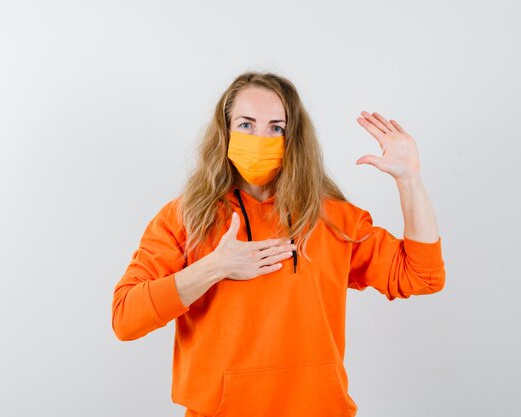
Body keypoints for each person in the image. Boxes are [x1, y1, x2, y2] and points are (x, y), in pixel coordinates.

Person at [111, 71, 445, 417]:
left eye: (276, 127)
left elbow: (423, 276)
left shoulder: (333, 218)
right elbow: (126, 317)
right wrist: (214, 267)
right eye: (245, 124)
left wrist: (410, 181)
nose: (260, 136)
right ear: (224, 131)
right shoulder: (185, 217)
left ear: (292, 137)